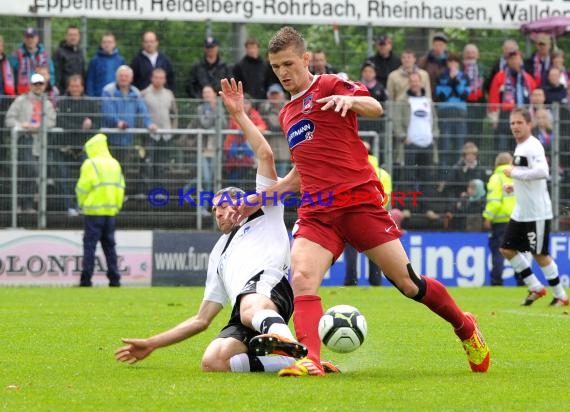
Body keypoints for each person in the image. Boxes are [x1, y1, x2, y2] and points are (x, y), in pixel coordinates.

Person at [237, 26, 490, 376]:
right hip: (317, 211)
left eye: (289, 64)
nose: (283, 73)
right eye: (277, 66)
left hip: (358, 204)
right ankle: (310, 359)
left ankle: (465, 327)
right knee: (303, 277)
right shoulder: (287, 114)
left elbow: (375, 107)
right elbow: (298, 174)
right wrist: (256, 200)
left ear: (306, 58)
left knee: (409, 284)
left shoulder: (328, 85)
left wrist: (351, 100)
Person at [115, 78, 314, 373]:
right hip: (244, 313)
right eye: (214, 209)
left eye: (223, 205)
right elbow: (201, 320)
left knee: (250, 306)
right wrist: (153, 343)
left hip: (268, 291)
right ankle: (287, 360)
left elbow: (265, 153)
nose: (218, 213)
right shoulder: (218, 254)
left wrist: (239, 114)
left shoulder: (264, 210)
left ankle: (295, 353)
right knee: (214, 361)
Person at [500, 107, 568, 306]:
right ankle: (536, 287)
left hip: (537, 212)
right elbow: (529, 174)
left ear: (529, 124)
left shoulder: (533, 145)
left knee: (539, 254)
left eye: (519, 122)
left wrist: (515, 175)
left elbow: (543, 171)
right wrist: (515, 186)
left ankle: (561, 296)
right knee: (506, 249)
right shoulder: (520, 147)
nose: (515, 126)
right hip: (522, 211)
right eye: (512, 123)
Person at [76, 133, 125, 287]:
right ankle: (114, 278)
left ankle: (86, 279)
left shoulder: (90, 164)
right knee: (110, 246)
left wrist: (81, 204)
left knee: (90, 246)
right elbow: (120, 187)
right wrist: (116, 206)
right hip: (110, 213)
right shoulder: (114, 163)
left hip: (93, 212)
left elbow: (82, 187)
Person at [5, 73, 56, 213]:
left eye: (41, 84)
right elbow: (9, 119)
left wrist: (39, 126)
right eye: (35, 84)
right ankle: (23, 205)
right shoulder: (21, 100)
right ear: (30, 85)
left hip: (41, 143)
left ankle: (28, 205)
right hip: (24, 139)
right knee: (30, 170)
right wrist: (22, 125)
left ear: (45, 86)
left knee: (38, 172)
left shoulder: (48, 103)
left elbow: (52, 122)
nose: (38, 86)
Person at [344, 141, 388, 287]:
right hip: (375, 216)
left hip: (351, 215)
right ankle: (375, 282)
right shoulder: (383, 173)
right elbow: (386, 198)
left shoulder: (349, 167)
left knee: (351, 253)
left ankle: (351, 281)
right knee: (376, 253)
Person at [55, 74, 99, 216]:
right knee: (64, 178)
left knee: (87, 179)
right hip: (65, 148)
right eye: (72, 86)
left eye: (77, 86)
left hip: (84, 148)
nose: (75, 89)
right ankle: (70, 207)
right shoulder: (62, 102)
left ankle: (83, 205)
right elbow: (61, 122)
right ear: (68, 87)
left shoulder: (91, 103)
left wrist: (89, 126)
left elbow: (97, 124)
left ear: (82, 87)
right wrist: (81, 126)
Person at [141, 67, 178, 188]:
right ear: (151, 78)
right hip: (150, 135)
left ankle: (159, 191)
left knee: (162, 164)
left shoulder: (169, 94)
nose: (158, 80)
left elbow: (174, 114)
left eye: (161, 78)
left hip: (166, 135)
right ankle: (145, 191)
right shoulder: (144, 94)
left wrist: (173, 130)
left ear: (165, 79)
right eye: (156, 77)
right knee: (147, 163)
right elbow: (140, 114)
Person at [483, 152, 516, 286]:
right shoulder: (517, 176)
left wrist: (487, 217)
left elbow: (494, 202)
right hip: (517, 220)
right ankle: (523, 280)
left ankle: (497, 281)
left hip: (501, 222)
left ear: (497, 163)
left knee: (498, 252)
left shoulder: (496, 178)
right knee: (516, 252)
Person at [435, 52, 470, 167]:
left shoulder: (464, 77)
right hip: (445, 112)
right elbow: (441, 96)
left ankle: (457, 171)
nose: (453, 64)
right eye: (450, 62)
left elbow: (464, 95)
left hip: (460, 113)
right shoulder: (441, 76)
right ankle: (444, 173)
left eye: (455, 62)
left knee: (459, 144)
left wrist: (456, 82)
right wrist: (451, 81)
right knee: (444, 144)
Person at [10, 27, 55, 95]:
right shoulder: (15, 56)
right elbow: (10, 75)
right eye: (27, 38)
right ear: (24, 39)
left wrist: (48, 86)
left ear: (37, 38)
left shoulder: (45, 56)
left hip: (41, 94)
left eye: (32, 37)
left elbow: (51, 75)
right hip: (22, 94)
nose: (30, 40)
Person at [258, 83, 289, 177]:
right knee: (270, 178)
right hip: (269, 148)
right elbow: (264, 123)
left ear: (281, 95)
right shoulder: (264, 108)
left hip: (284, 149)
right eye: (272, 94)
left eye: (276, 94)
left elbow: (286, 125)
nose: (274, 97)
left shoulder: (288, 107)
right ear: (268, 96)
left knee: (282, 177)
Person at [85, 32, 125, 97]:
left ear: (114, 44)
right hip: (99, 97)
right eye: (104, 42)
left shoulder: (120, 61)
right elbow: (90, 81)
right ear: (101, 44)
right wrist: (91, 97)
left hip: (116, 98)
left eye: (109, 42)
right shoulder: (95, 60)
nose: (107, 44)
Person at [53, 25, 85, 93]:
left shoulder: (80, 53)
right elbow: (57, 74)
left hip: (78, 93)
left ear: (79, 37)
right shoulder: (59, 52)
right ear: (66, 36)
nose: (73, 37)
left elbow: (83, 73)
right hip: (64, 93)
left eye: (75, 35)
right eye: (70, 35)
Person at [418, 32, 448, 99]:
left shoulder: (450, 61)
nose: (438, 47)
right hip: (428, 96)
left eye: (441, 45)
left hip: (445, 98)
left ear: (445, 46)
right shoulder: (424, 60)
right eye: (436, 45)